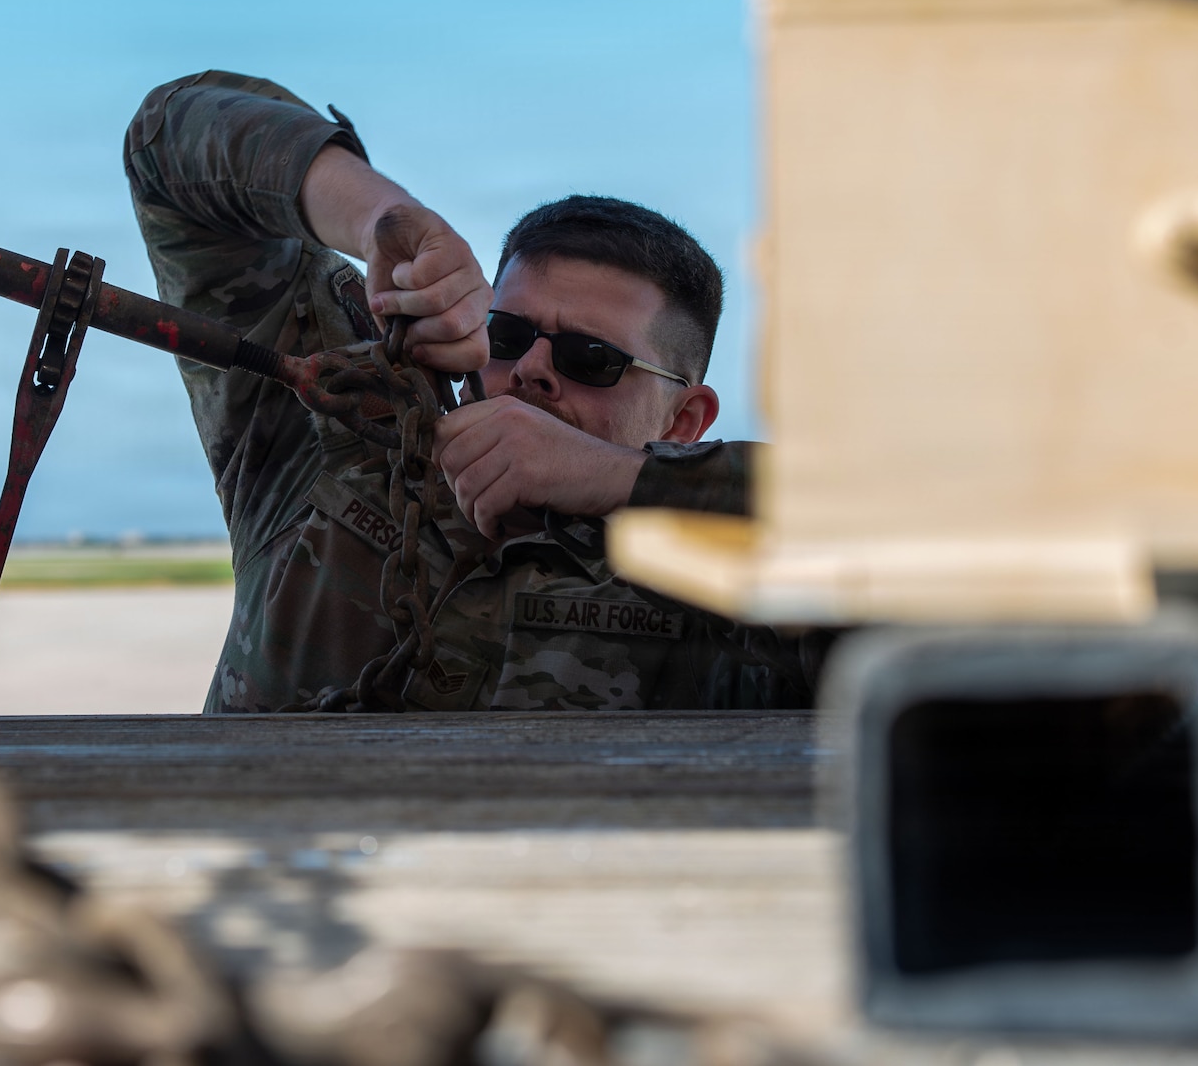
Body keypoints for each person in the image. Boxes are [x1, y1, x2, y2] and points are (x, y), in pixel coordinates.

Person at [125, 70, 823, 712]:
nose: (531, 370)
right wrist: (383, 221)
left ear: (683, 418)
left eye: (591, 357)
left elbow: (910, 517)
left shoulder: (734, 576)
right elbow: (170, 141)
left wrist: (611, 477)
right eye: (510, 334)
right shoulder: (347, 434)